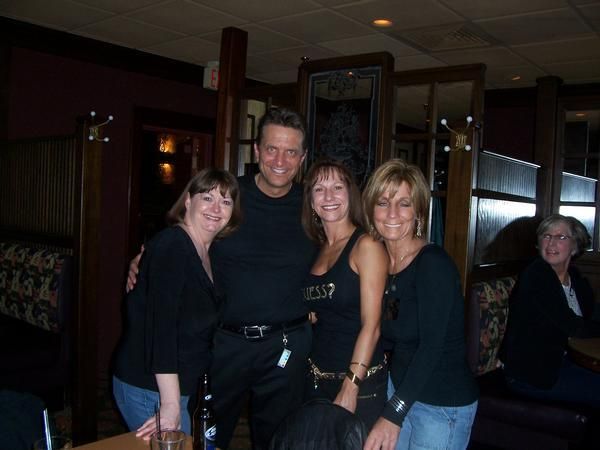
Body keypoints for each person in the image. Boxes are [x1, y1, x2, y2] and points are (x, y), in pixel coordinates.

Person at [129, 108, 317, 449]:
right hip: (223, 344)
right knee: (207, 436)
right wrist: (144, 260)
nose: (280, 160)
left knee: (279, 440)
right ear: (257, 150)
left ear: (302, 157)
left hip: (286, 345)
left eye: (291, 152)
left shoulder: (313, 206)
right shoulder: (230, 197)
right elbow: (187, 236)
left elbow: (342, 250)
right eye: (272, 149)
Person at [113, 168, 241, 439]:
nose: (216, 208)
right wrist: (170, 404)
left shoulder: (209, 253)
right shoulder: (172, 246)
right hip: (152, 390)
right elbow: (162, 328)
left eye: (226, 201)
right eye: (207, 198)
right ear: (188, 201)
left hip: (180, 387)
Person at [362, 159, 478, 450]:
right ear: (371, 210)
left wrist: (393, 413)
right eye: (383, 202)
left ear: (419, 213)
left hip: (440, 405)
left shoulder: (432, 264)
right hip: (402, 390)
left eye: (404, 204)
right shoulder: (384, 263)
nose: (392, 213)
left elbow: (431, 348)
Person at [301, 159, 387, 430]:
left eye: (337, 187)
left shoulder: (366, 245)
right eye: (319, 189)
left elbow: (372, 326)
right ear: (311, 201)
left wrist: (351, 386)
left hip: (359, 384)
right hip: (316, 378)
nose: (328, 196)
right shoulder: (316, 249)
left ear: (351, 194)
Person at [501, 214, 600, 408]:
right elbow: (573, 326)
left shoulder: (576, 279)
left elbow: (591, 317)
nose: (551, 242)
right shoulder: (536, 275)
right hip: (532, 374)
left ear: (575, 246)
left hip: (565, 363)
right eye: (546, 236)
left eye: (561, 237)